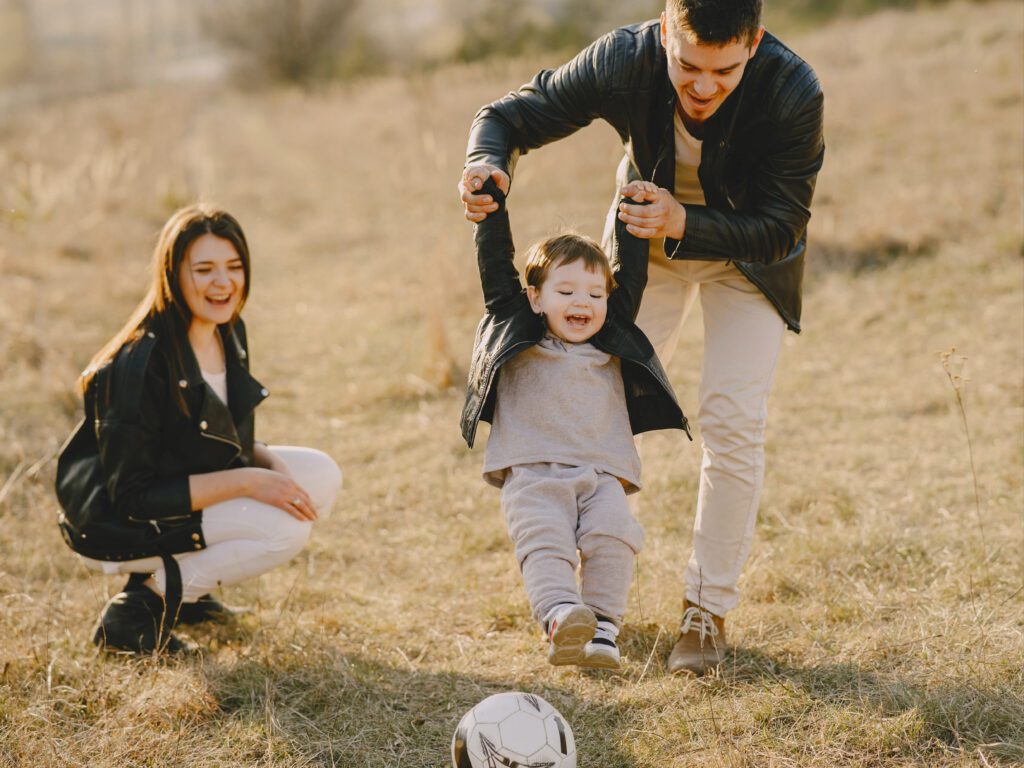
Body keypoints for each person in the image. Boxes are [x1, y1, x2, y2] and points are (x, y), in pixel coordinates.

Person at [459, 0, 825, 674]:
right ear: (663, 33)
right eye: (687, 65)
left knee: (731, 420)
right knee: (592, 400)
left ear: (755, 43)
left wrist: (685, 218)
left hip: (748, 262)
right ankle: (573, 602)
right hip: (637, 256)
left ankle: (705, 611)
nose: (704, 86)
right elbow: (507, 116)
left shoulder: (792, 89)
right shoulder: (623, 59)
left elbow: (782, 226)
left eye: (725, 69)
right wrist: (487, 164)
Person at [55, 204, 342, 654]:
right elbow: (131, 495)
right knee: (284, 531)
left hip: (172, 494)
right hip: (116, 520)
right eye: (204, 269)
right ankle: (139, 609)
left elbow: (205, 438)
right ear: (173, 275)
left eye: (234, 267)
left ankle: (188, 596)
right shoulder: (139, 364)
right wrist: (250, 480)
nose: (223, 283)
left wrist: (265, 459)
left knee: (321, 474)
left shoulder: (227, 330)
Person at [461, 177, 687, 670]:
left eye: (594, 293)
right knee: (546, 542)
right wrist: (490, 210)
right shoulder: (517, 328)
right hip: (533, 471)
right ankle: (562, 617)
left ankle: (603, 628)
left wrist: (634, 202)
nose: (582, 303)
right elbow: (496, 267)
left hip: (602, 472)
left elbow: (632, 272)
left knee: (613, 538)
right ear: (536, 298)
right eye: (565, 291)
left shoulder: (612, 339)